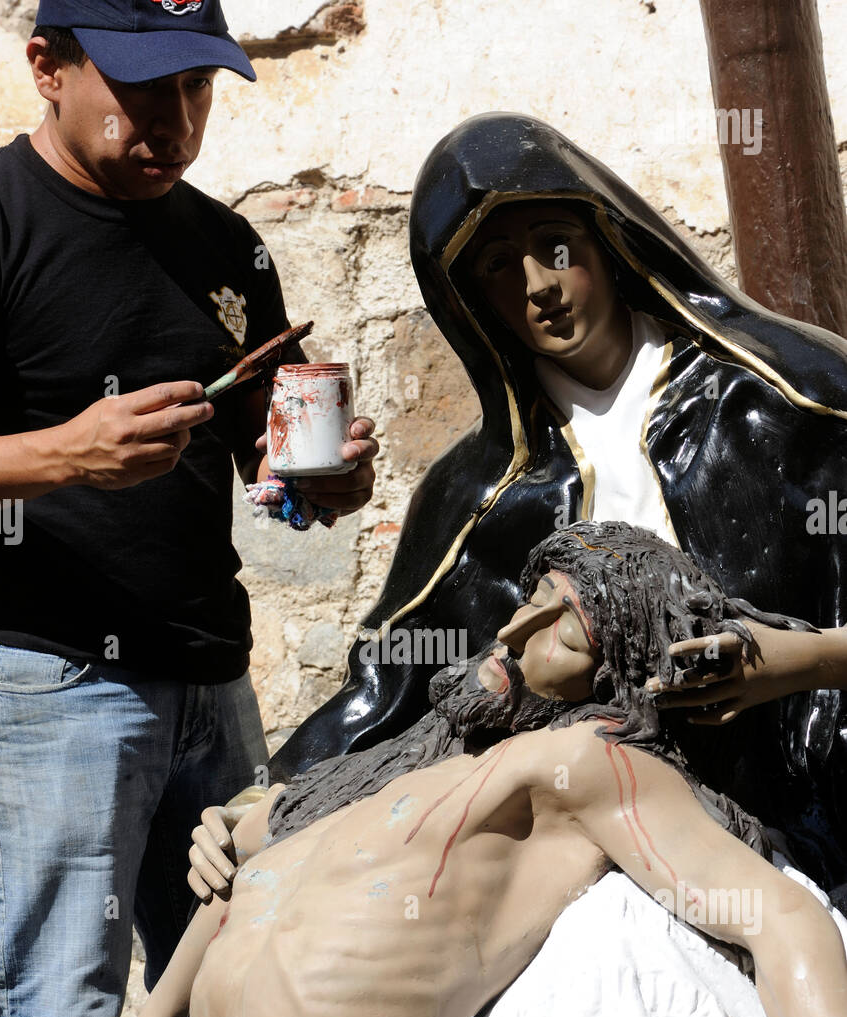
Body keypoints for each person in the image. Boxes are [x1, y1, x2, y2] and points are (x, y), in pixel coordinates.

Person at [0, 522, 846, 1017]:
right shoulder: (318, 803)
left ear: (614, 673)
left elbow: (779, 921)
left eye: (566, 629)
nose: (512, 631)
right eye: (527, 602)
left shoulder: (575, 764)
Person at [0, 0, 378, 1017]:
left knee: (242, 1006)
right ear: (45, 65)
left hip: (213, 682)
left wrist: (324, 479)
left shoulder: (226, 246)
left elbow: (277, 469)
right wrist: (60, 457)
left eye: (196, 90)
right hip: (51, 684)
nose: (173, 121)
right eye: (141, 89)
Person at [264, 112, 847, 905]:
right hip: (587, 845)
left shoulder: (785, 401)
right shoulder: (484, 494)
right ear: (473, 303)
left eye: (554, 246)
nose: (537, 285)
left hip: (806, 811)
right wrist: (264, 802)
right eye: (500, 266)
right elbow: (388, 690)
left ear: (607, 243)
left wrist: (798, 663)